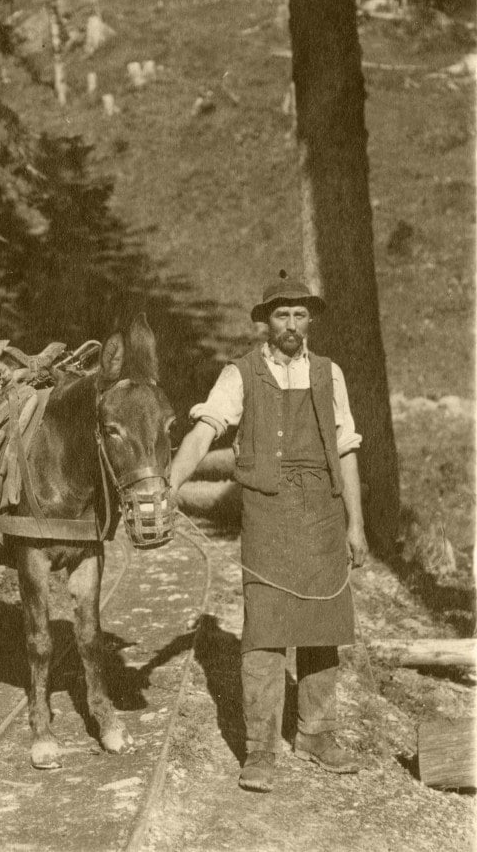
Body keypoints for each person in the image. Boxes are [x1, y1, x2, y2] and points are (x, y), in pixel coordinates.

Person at [171, 271, 368, 793]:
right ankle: (259, 751)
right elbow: (204, 431)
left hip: (324, 517)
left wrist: (357, 526)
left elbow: (347, 451)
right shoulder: (239, 375)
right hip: (267, 515)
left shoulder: (330, 374)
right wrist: (168, 486)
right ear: (265, 322)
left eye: (301, 315)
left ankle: (317, 734)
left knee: (323, 626)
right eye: (282, 315)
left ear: (310, 321)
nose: (292, 325)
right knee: (264, 634)